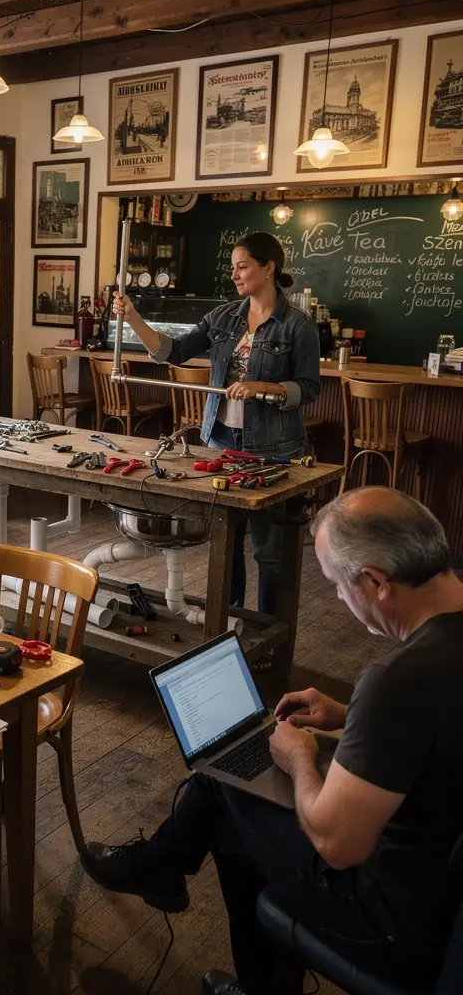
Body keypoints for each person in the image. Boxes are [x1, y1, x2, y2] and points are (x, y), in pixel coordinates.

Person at [82, 487, 463, 995]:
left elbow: (336, 843)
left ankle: (166, 870)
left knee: (226, 789)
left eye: (335, 585)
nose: (338, 598)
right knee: (230, 794)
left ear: (375, 582)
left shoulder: (397, 680)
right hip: (443, 885)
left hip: (396, 927)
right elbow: (440, 727)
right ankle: (169, 873)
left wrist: (300, 758)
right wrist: (353, 719)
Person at [114, 232, 320, 667]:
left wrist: (264, 387)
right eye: (233, 266)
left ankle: (266, 645)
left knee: (269, 553)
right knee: (226, 545)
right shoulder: (225, 317)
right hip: (222, 443)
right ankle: (227, 631)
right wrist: (132, 316)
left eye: (242, 265)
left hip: (274, 451)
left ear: (268, 268)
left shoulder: (297, 325)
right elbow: (172, 352)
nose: (234, 273)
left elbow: (310, 388)